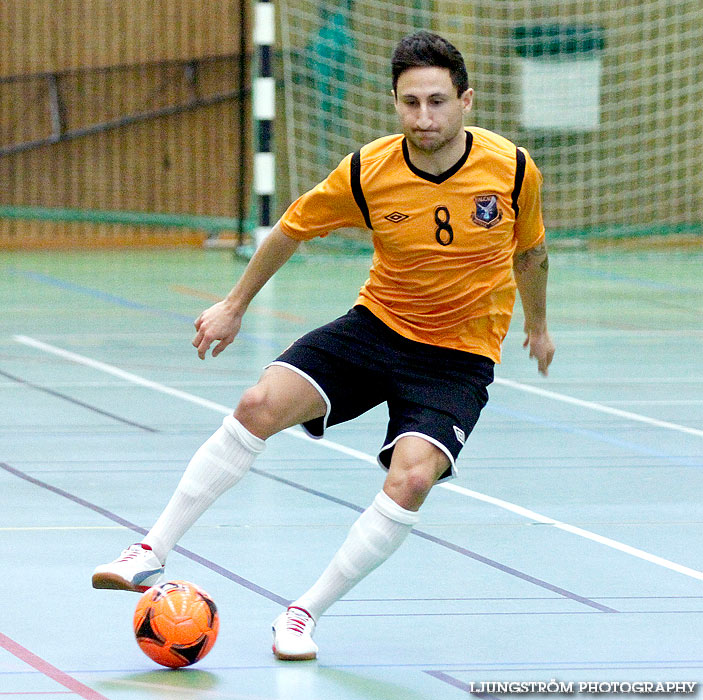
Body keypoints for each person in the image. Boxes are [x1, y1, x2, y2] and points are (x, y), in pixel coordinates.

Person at [92, 30, 555, 661]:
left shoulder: (513, 170)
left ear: (466, 101)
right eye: (411, 103)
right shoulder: (369, 170)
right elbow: (290, 230)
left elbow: (531, 253)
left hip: (457, 357)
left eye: (438, 102)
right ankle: (149, 548)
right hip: (376, 326)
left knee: (412, 479)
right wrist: (233, 305)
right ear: (395, 104)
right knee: (258, 404)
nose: (425, 117)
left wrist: (537, 325)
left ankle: (304, 612)